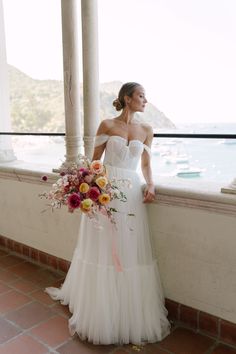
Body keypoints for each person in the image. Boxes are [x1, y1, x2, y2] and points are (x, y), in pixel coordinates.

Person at [45, 82, 170, 345]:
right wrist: (88, 186)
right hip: (106, 191)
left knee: (129, 247)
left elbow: (146, 163)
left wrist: (150, 184)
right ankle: (99, 309)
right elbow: (94, 161)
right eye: (141, 96)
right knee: (103, 246)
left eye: (145, 96)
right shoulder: (107, 125)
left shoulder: (146, 130)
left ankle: (126, 309)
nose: (145, 100)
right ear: (127, 98)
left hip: (132, 194)